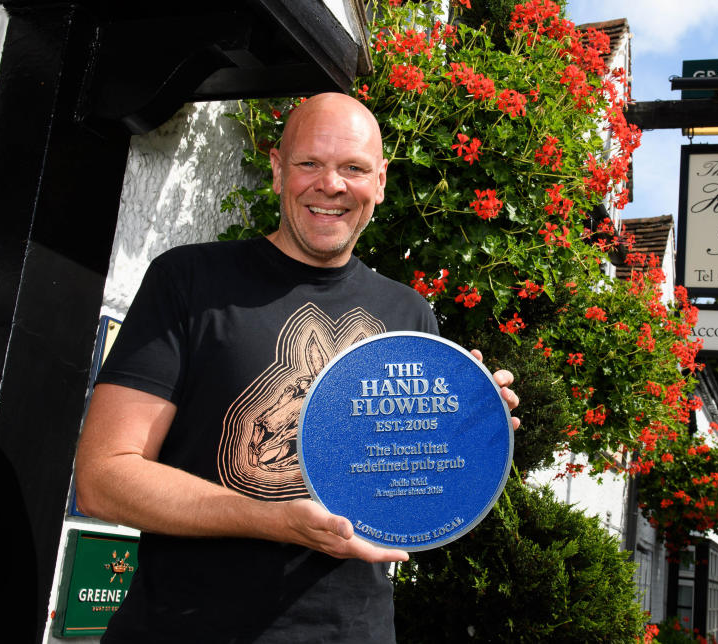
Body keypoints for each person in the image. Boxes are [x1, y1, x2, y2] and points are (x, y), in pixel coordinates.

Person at [74, 92, 520, 643]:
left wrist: (473, 424)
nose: (330, 185)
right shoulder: (189, 282)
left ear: (379, 181)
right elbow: (104, 479)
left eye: (353, 168)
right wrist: (276, 520)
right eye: (310, 162)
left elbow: (409, 474)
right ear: (279, 169)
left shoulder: (409, 314)